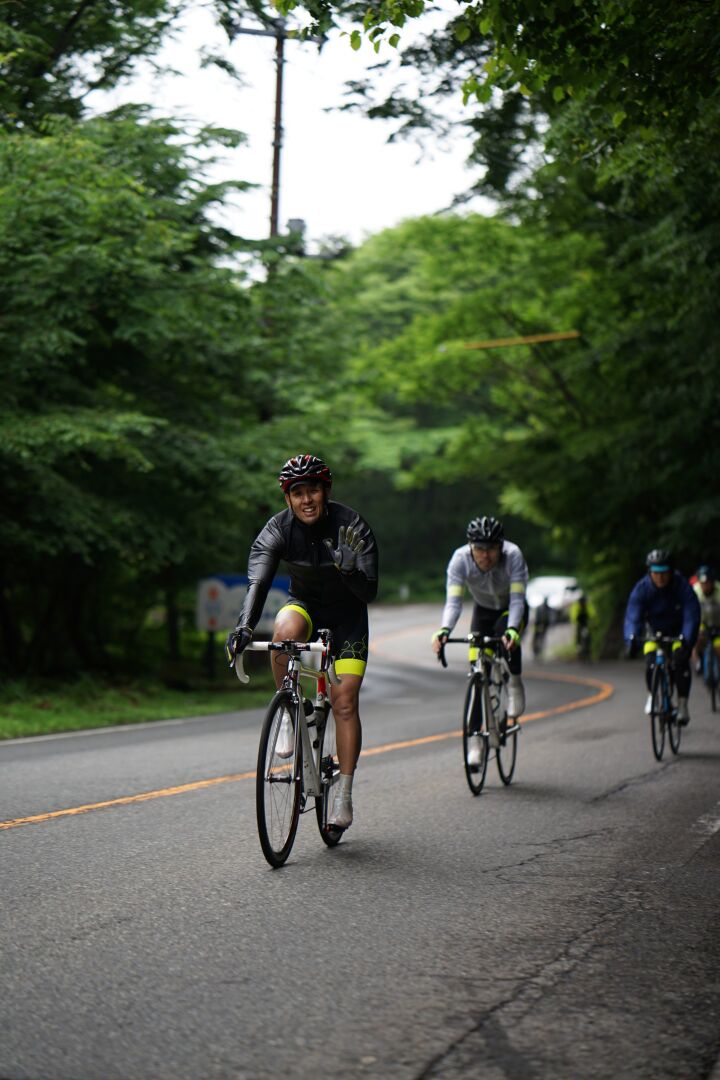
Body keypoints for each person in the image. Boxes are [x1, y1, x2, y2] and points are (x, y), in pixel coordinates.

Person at [225, 454, 379, 831]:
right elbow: (258, 583)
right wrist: (244, 627)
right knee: (282, 635)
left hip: (348, 617)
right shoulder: (277, 530)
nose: (306, 499)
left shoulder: (352, 526)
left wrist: (349, 571)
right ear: (288, 499)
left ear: (325, 492)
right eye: (297, 493)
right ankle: (290, 715)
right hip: (305, 605)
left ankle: (343, 792)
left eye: (313, 490)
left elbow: (369, 591)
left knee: (344, 702)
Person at [432, 516, 529, 765]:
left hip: (511, 609)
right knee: (476, 673)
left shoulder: (514, 555)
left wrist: (512, 631)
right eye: (479, 549)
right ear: (470, 546)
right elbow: (453, 602)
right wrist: (444, 629)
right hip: (483, 611)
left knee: (506, 636)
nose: (485, 556)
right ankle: (476, 742)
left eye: (491, 549)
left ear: (501, 546)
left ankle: (515, 682)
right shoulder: (459, 560)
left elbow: (518, 600)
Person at [623, 549, 700, 725]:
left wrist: (687, 639)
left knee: (680, 662)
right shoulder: (642, 589)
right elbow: (633, 616)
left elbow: (691, 614)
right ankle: (652, 695)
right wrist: (631, 638)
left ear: (671, 571)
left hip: (678, 632)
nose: (660, 578)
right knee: (651, 661)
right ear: (650, 572)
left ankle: (682, 705)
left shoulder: (682, 586)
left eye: (664, 572)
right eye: (656, 573)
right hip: (653, 633)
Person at [691, 565, 720, 674]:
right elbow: (691, 612)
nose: (705, 586)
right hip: (702, 623)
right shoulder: (695, 591)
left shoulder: (719, 591)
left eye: (708, 583)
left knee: (718, 647)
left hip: (718, 624)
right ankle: (697, 660)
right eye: (703, 583)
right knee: (696, 639)